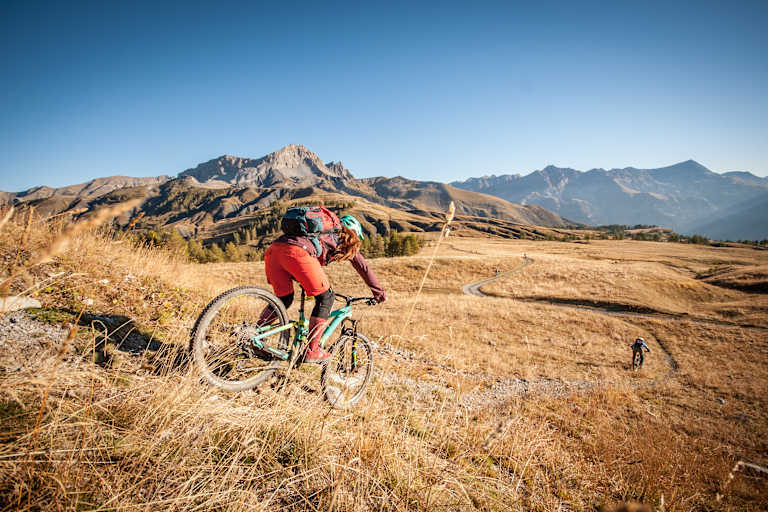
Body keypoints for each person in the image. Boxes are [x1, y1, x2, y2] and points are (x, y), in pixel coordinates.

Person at [263, 213, 386, 362]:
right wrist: (379, 293)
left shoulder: (321, 233)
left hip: (274, 250)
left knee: (285, 298)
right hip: (297, 252)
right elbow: (363, 267)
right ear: (354, 234)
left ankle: (253, 334)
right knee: (326, 297)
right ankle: (312, 350)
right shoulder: (342, 237)